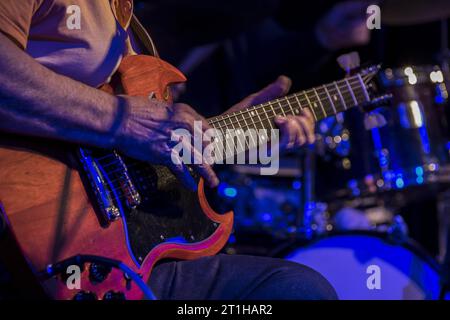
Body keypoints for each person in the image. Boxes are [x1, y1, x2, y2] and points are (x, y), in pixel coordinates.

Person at [0, 0, 336, 299]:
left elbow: (138, 146)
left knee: (294, 289)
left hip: (116, 253)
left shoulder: (123, 17)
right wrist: (122, 120)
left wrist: (234, 132)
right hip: (29, 236)